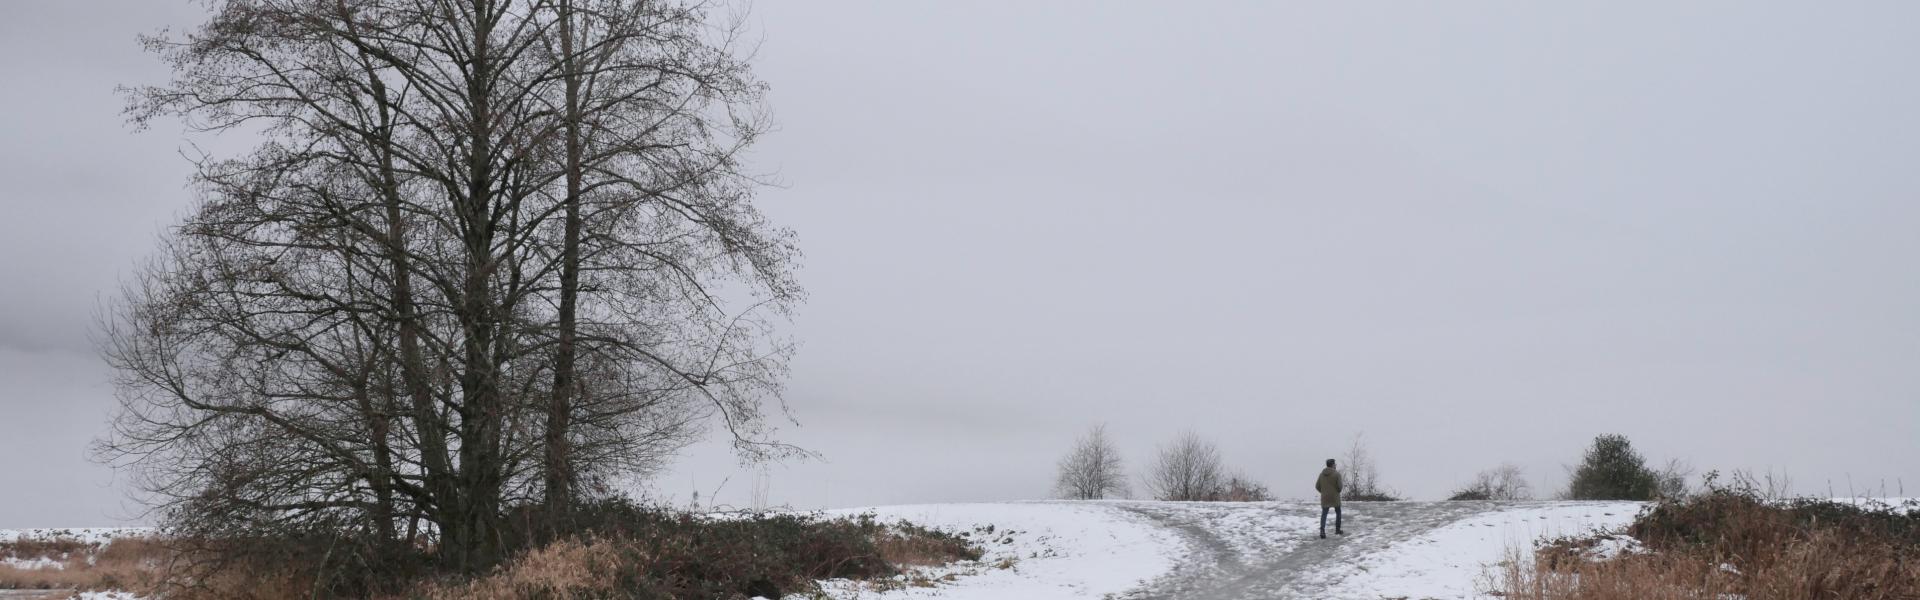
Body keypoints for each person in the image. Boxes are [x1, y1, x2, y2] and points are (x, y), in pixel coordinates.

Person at [1314, 458, 1343, 539]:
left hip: (1325, 497)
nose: (1336, 465)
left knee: (1324, 514)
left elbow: (1317, 486)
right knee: (1338, 512)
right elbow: (1340, 488)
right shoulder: (1337, 474)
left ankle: (1322, 531)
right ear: (1333, 465)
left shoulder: (1321, 474)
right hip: (1335, 497)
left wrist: (1323, 492)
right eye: (1335, 464)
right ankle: (1337, 529)